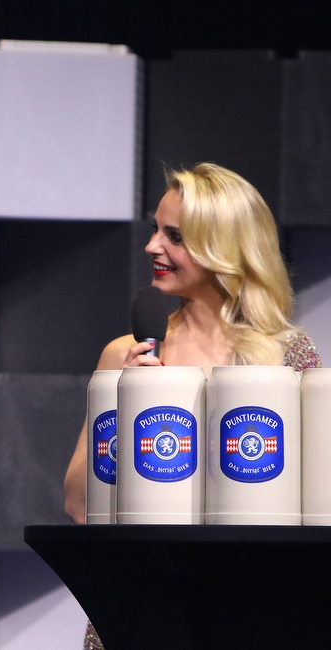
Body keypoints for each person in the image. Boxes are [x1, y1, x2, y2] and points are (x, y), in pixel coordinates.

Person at [62, 162, 321, 649]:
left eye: (174, 236)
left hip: (251, 615)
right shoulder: (125, 354)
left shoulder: (290, 358)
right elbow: (78, 506)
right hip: (140, 614)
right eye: (155, 230)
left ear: (223, 248)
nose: (152, 247)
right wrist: (119, 413)